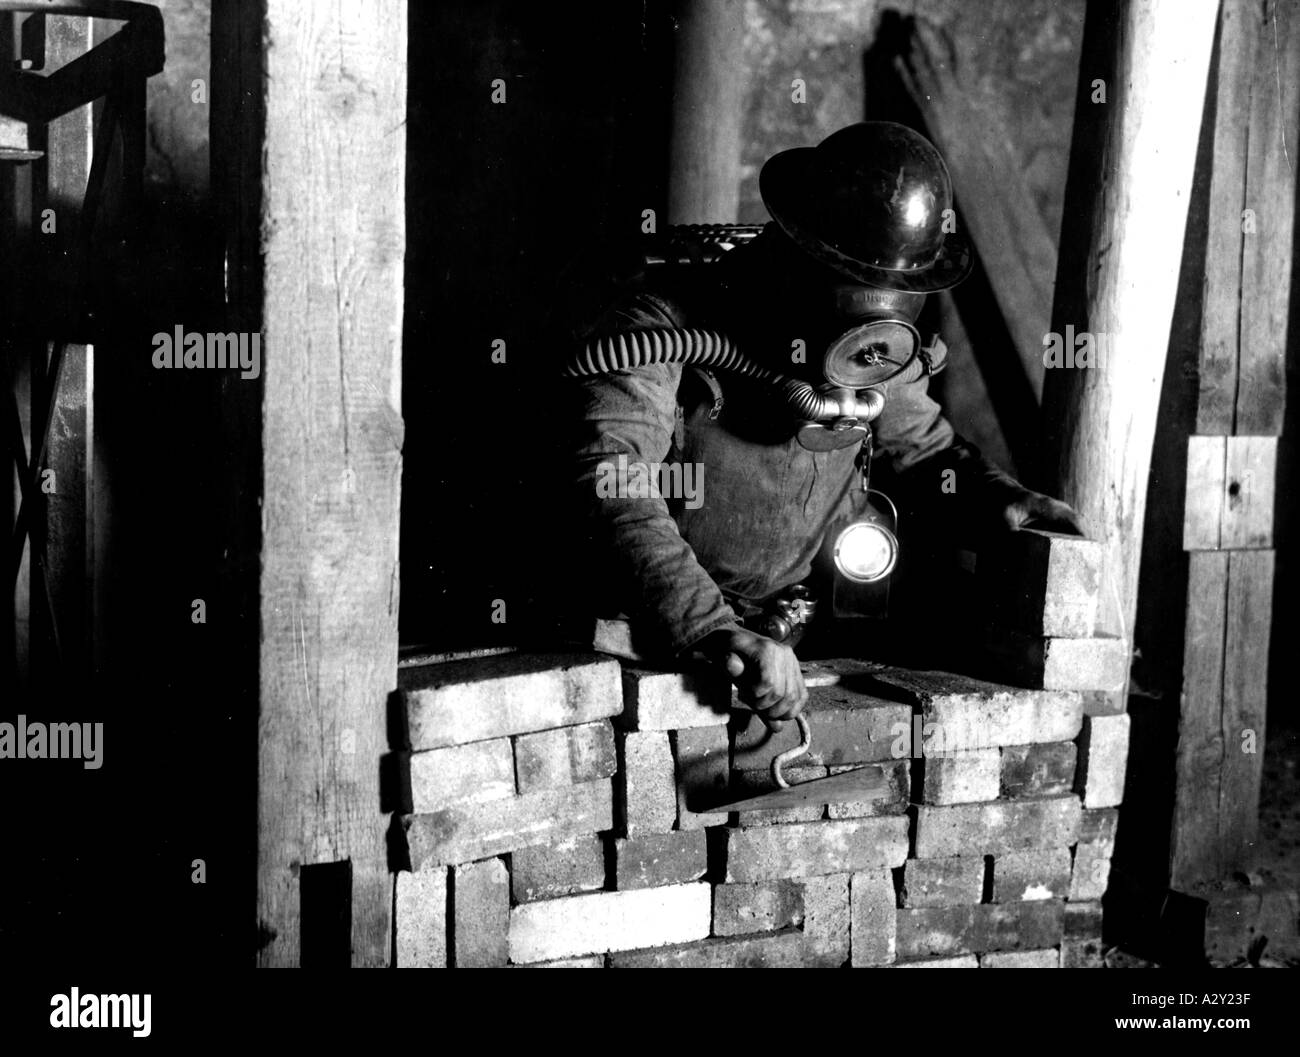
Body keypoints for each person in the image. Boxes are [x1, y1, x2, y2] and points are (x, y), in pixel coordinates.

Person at [561, 122, 1081, 733]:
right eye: (854, 284)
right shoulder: (663, 324)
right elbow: (613, 479)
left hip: (782, 633)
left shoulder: (872, 351)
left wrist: (998, 497)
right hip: (646, 634)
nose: (870, 336)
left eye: (897, 293)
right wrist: (710, 626)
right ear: (795, 251)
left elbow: (921, 450)